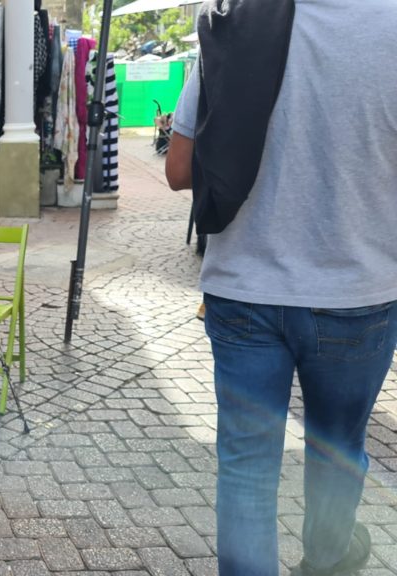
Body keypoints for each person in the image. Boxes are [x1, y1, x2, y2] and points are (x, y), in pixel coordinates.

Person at [165, 3, 397, 575]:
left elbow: (176, 169)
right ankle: (327, 561)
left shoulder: (236, 22)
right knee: (338, 450)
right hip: (358, 290)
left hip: (245, 288)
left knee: (246, 464)